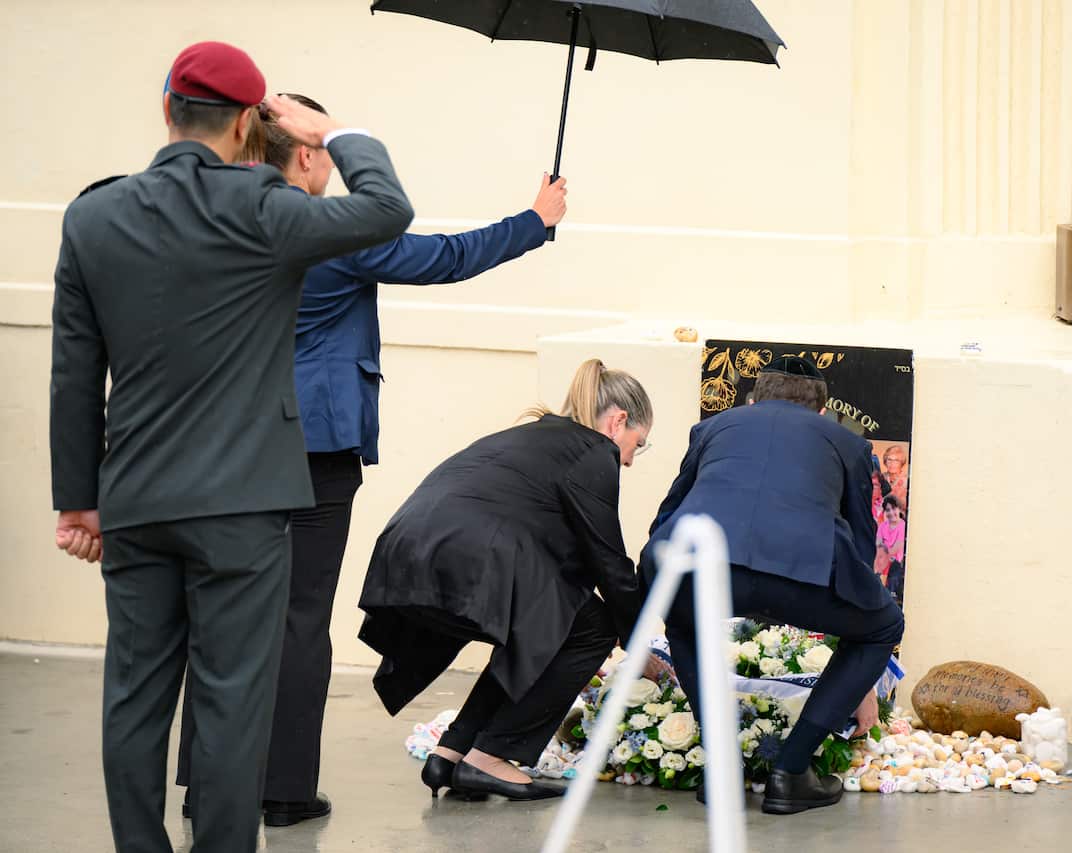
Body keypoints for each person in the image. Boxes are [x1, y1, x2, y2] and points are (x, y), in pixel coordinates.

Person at [49, 41, 414, 852]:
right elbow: (388, 211)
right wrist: (336, 130)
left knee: (133, 698)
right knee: (231, 697)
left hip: (136, 498)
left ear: (166, 110)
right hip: (245, 507)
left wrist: (79, 500)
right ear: (252, 123)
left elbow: (75, 373)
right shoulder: (266, 209)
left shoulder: (94, 215)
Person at [173, 93, 567, 828]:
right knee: (297, 615)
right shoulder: (327, 230)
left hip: (230, 444)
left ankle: (207, 784)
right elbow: (445, 258)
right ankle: (285, 789)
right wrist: (534, 222)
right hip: (315, 446)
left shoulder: (224, 220)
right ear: (313, 153)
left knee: (224, 612)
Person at [358, 359, 657, 801]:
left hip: (407, 550)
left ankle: (453, 752)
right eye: (639, 444)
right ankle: (491, 755)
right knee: (593, 627)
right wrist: (638, 643)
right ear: (617, 422)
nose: (630, 459)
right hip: (469, 554)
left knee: (550, 620)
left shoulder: (535, 436)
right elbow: (609, 562)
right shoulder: (595, 451)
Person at [640, 355, 905, 816]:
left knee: (682, 622)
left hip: (699, 565)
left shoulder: (713, 428)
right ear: (822, 411)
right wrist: (859, 671)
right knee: (882, 626)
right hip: (800, 573)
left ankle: (723, 769)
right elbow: (863, 544)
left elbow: (669, 510)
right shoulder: (849, 442)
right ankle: (791, 772)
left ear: (753, 399)